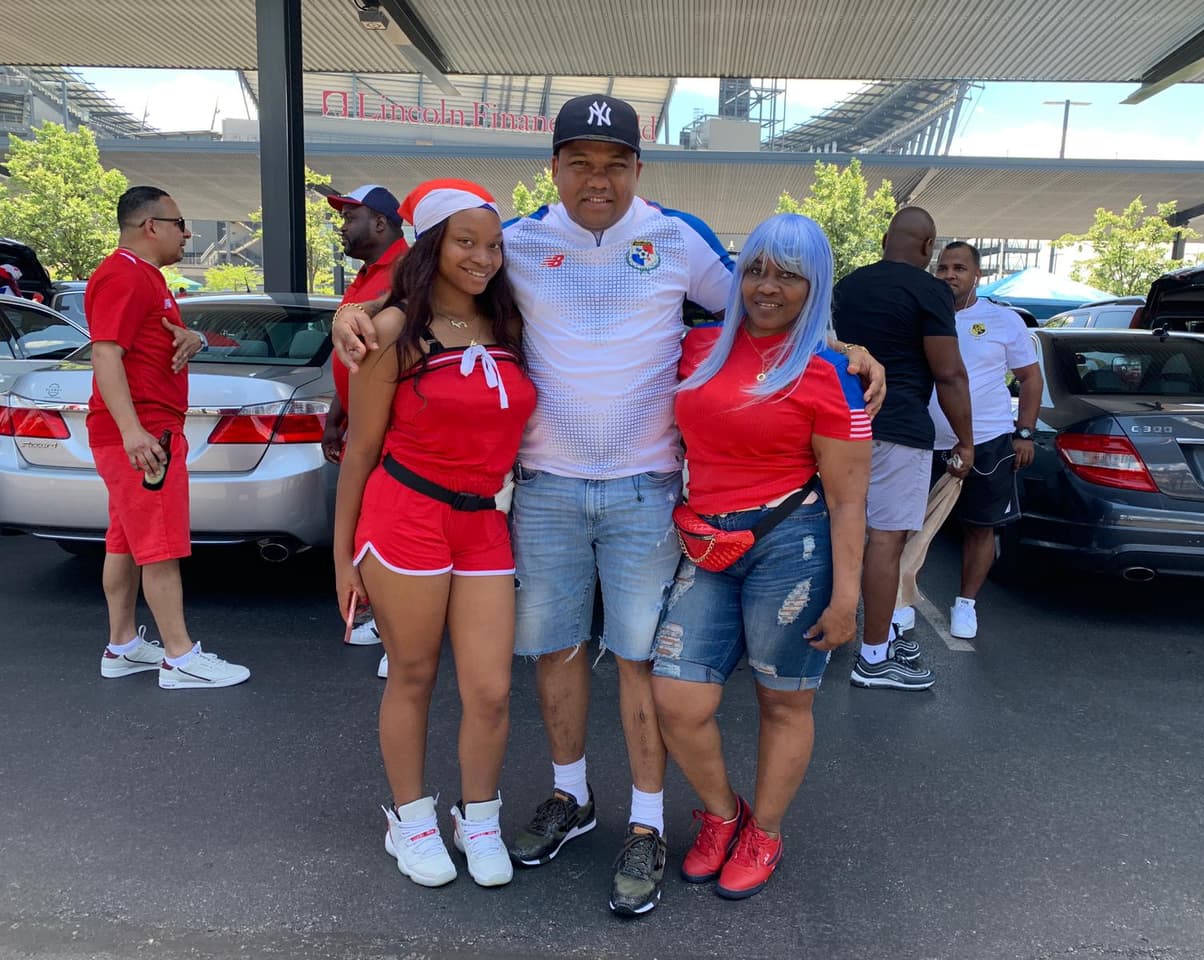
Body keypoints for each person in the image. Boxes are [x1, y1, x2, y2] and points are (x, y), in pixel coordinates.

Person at [331, 93, 885, 917]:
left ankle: (648, 824)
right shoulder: (515, 242)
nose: (599, 179)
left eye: (616, 164)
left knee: (638, 660)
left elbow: (764, 304)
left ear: (638, 168)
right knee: (555, 651)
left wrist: (841, 344)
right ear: (553, 167)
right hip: (546, 487)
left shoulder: (678, 238)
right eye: (581, 163)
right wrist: (357, 310)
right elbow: (437, 278)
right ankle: (571, 796)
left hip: (645, 489)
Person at [652, 213, 871, 901]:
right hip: (707, 540)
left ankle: (765, 832)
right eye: (755, 269)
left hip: (792, 544)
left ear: (816, 286)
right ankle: (723, 815)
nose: (767, 287)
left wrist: (846, 599)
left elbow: (849, 502)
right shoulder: (697, 347)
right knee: (677, 698)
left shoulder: (831, 373)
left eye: (788, 275)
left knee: (783, 703)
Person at [332, 179, 536, 890]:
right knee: (412, 674)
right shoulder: (392, 333)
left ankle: (478, 819)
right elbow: (361, 451)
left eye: (494, 245)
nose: (483, 257)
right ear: (431, 247)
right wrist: (342, 557)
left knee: (492, 690)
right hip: (406, 517)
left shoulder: (511, 325)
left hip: (483, 522)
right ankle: (411, 819)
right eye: (465, 242)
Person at [90, 186, 250, 689]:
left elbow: (150, 341)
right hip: (146, 434)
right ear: (150, 226)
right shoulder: (122, 275)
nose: (187, 233)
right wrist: (133, 431)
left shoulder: (145, 276)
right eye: (180, 223)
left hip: (144, 430)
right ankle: (180, 657)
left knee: (126, 543)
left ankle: (122, 646)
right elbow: (105, 353)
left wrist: (194, 338)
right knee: (160, 546)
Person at [833, 206, 972, 692]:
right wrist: (966, 440)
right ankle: (873, 658)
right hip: (899, 429)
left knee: (836, 534)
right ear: (928, 246)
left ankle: (839, 634)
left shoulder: (848, 286)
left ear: (885, 239)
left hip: (839, 427)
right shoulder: (930, 291)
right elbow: (949, 374)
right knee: (885, 542)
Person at [898, 241, 1042, 639]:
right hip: (926, 441)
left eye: (959, 268)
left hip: (989, 441)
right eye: (943, 267)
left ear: (977, 275)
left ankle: (966, 604)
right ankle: (902, 602)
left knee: (981, 527)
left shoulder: (1003, 320)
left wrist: (1024, 432)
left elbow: (1030, 378)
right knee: (910, 527)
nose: (949, 275)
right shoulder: (922, 315)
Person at [322, 185, 411, 662]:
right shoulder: (365, 276)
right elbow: (353, 357)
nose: (342, 226)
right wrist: (336, 415)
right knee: (367, 523)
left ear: (380, 222)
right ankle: (382, 619)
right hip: (362, 426)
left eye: (349, 217)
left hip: (394, 433)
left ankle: (399, 638)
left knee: (390, 527)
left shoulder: (408, 273)